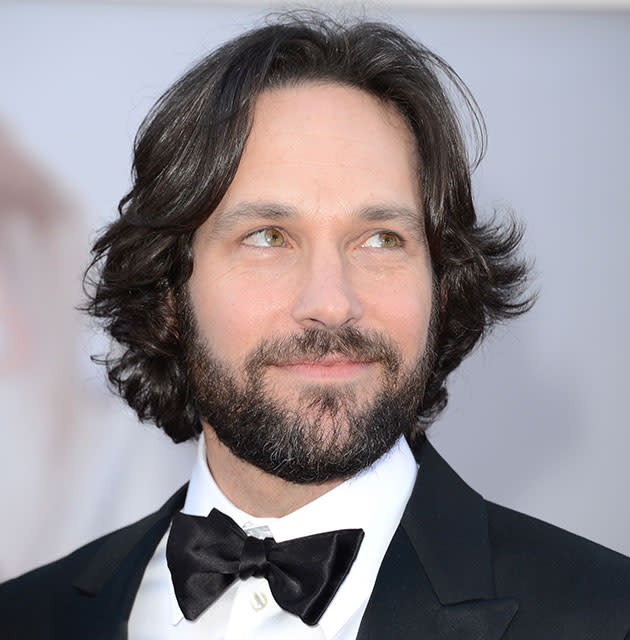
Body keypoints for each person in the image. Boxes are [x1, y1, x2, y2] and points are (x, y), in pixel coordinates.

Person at [2, 11, 629, 639]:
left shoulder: (605, 615)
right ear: (170, 294)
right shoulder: (26, 617)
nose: (332, 302)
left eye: (382, 239)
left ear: (442, 287)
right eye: (269, 237)